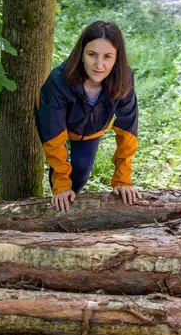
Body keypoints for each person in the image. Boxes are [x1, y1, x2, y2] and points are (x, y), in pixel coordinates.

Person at [34, 20, 141, 212]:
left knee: (80, 173)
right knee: (62, 175)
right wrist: (61, 185)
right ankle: (57, 203)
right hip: (56, 124)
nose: (99, 65)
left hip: (91, 130)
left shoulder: (124, 79)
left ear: (117, 58)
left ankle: (70, 206)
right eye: (92, 55)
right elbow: (53, 137)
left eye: (108, 56)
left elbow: (128, 130)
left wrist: (122, 180)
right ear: (81, 54)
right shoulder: (58, 82)